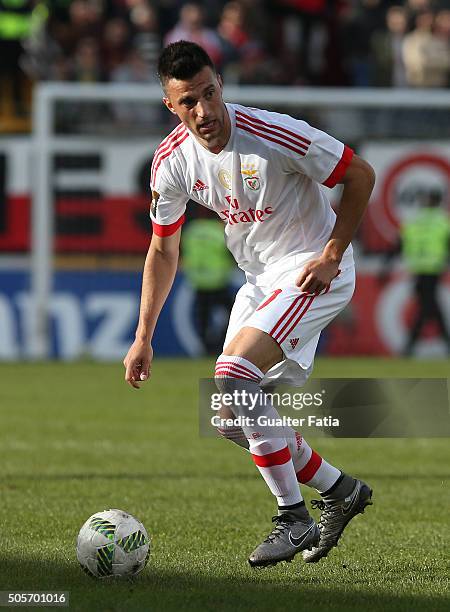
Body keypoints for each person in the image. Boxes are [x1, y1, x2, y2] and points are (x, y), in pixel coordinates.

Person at [123, 41, 376, 568]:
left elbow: (360, 175)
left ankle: (293, 517)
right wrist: (143, 335)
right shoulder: (172, 162)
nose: (204, 111)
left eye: (210, 94)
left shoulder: (271, 133)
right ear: (171, 106)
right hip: (260, 280)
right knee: (229, 417)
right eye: (189, 102)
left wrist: (332, 253)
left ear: (221, 86)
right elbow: (162, 249)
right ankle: (339, 488)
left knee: (233, 373)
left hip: (314, 268)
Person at [181, 217, 234, 355]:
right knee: (233, 315)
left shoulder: (192, 230)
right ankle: (221, 343)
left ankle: (206, 347)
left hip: (199, 281)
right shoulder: (220, 230)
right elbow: (232, 252)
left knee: (203, 318)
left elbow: (183, 250)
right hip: (218, 281)